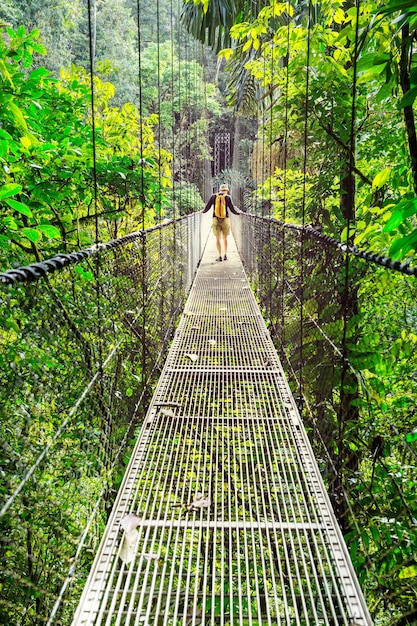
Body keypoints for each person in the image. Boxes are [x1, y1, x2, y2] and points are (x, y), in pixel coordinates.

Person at [202, 184, 241, 261]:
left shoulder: (213, 197)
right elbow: (232, 209)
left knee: (217, 238)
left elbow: (207, 207)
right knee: (225, 238)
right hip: (225, 219)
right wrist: (238, 213)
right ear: (226, 190)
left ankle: (219, 256)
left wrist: (202, 212)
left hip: (215, 219)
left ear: (219, 190)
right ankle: (225, 254)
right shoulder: (227, 197)